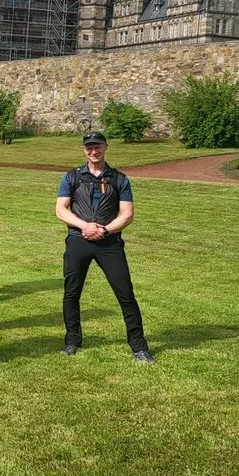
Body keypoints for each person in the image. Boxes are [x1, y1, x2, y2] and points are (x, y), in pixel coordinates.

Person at [55, 131, 155, 364]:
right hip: (78, 239)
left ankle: (138, 346)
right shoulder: (72, 177)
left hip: (109, 242)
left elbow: (127, 214)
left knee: (125, 293)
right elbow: (61, 209)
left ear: (105, 147)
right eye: (89, 147)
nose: (93, 151)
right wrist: (85, 226)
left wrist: (105, 230)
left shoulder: (119, 179)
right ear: (84, 150)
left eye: (97, 146)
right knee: (72, 292)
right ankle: (72, 340)